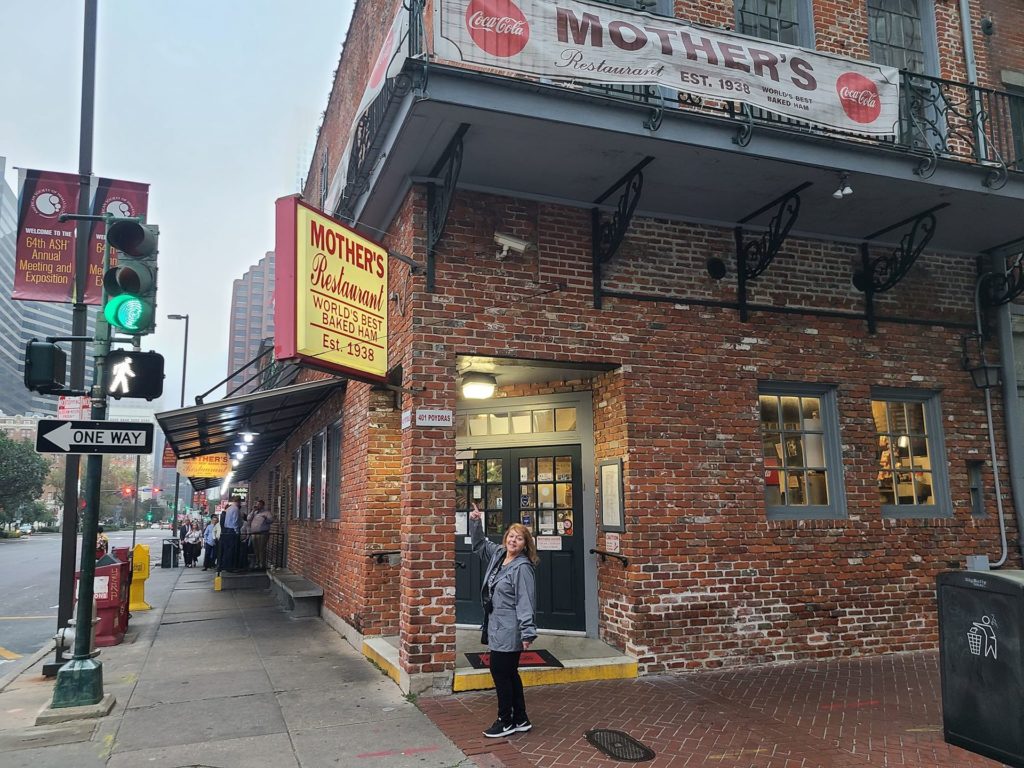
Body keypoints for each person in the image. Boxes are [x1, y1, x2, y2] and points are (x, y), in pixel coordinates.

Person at [469, 502, 538, 738]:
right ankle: (521, 718)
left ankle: (505, 720)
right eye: (511, 536)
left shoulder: (523, 568)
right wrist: (476, 522)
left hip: (510, 628)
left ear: (525, 544)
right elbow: (478, 545)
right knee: (510, 673)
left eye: (519, 539)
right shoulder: (498, 555)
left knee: (500, 672)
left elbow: (525, 601)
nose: (513, 541)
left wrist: (527, 633)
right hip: (496, 625)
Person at [249, 499, 273, 570]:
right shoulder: (254, 512)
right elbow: (248, 518)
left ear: (262, 505)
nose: (257, 505)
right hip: (254, 533)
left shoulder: (266, 513)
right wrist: (253, 511)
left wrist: (266, 519)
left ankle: (262, 564)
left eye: (259, 504)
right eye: (257, 504)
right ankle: (257, 562)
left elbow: (271, 520)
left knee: (261, 549)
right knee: (255, 549)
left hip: (263, 533)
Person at [221, 496, 241, 571]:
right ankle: (232, 567)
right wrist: (237, 531)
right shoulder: (236, 509)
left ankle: (226, 566)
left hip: (227, 530)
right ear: (238, 501)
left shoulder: (228, 509)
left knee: (228, 549)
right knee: (233, 549)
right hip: (233, 530)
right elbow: (235, 521)